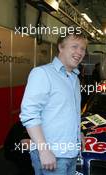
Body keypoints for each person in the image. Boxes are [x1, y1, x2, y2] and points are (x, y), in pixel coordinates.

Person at [19, 32, 87, 175]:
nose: (79, 52)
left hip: (71, 153)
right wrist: (44, 150)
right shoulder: (42, 73)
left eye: (83, 49)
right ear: (61, 47)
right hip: (52, 156)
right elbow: (29, 115)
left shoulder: (74, 78)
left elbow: (66, 112)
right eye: (74, 46)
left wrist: (77, 132)